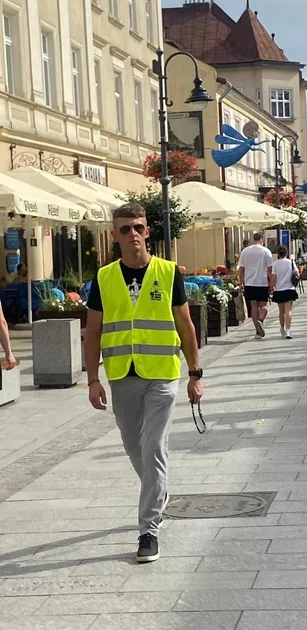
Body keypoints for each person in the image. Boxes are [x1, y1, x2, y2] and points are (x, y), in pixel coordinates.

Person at [83, 203, 203, 563]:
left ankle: (148, 531)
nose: (132, 234)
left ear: (148, 231)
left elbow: (186, 327)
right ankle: (159, 492)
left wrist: (195, 374)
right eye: (124, 229)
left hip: (162, 374)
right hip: (122, 376)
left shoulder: (168, 272)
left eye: (137, 227)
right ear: (114, 235)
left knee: (153, 448)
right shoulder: (103, 278)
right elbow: (92, 332)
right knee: (136, 449)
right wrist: (92, 379)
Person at [238, 233, 273, 338]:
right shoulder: (266, 251)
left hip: (249, 283)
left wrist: (241, 283)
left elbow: (241, 269)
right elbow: (270, 270)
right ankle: (260, 321)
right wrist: (272, 283)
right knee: (264, 306)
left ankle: (257, 331)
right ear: (262, 240)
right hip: (262, 283)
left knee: (254, 307)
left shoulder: (245, 251)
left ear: (253, 239)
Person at [270, 245, 299, 339]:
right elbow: (297, 274)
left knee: (281, 311)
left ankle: (282, 328)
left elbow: (273, 278)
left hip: (279, 290)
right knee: (288, 311)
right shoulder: (291, 262)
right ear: (286, 253)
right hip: (289, 289)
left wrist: (272, 287)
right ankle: (288, 330)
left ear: (278, 253)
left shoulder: (275, 264)